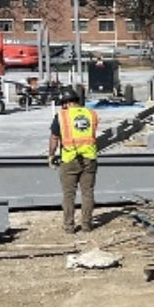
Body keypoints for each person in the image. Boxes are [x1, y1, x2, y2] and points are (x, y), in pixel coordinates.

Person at [48, 86, 99, 234]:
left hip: (69, 158)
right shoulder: (91, 113)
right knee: (87, 193)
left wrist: (51, 155)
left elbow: (54, 137)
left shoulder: (62, 116)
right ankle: (86, 225)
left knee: (69, 194)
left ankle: (69, 226)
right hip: (89, 158)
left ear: (66, 102)